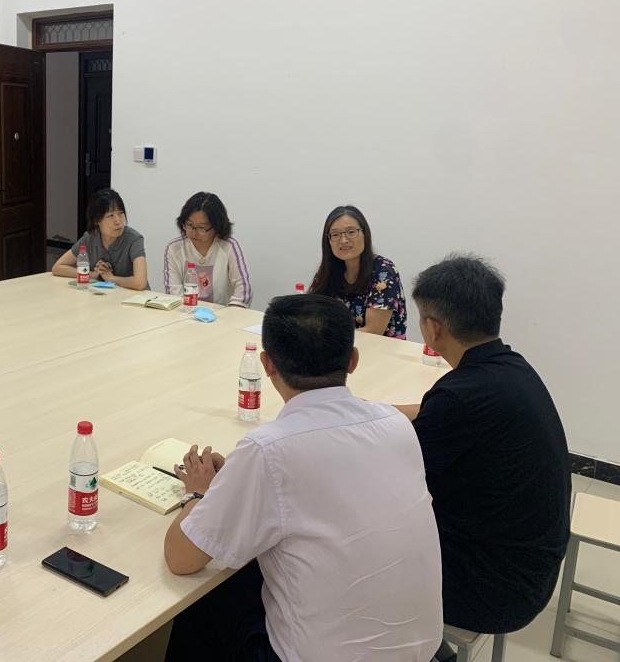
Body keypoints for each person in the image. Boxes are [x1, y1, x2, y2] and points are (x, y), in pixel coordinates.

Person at [162, 294, 442, 661]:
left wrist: (199, 494)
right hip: (423, 650)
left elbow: (180, 558)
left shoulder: (268, 450)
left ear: (267, 364)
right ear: (353, 360)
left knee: (202, 603)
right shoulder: (396, 425)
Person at [396, 256, 570, 635]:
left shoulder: (459, 396)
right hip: (530, 568)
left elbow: (392, 474)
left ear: (433, 329)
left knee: (349, 531)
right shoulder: (508, 367)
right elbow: (432, 412)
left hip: (494, 590)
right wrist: (377, 411)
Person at [308, 204, 406, 338]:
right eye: (335, 234)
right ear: (328, 240)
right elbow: (311, 315)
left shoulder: (383, 271)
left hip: (380, 348)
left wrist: (327, 336)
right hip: (338, 347)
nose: (343, 240)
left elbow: (373, 331)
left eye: (351, 232)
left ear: (365, 234)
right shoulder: (328, 271)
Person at [162, 192, 252, 307]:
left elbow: (243, 293)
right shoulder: (174, 248)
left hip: (224, 314)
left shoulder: (229, 246)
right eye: (189, 225)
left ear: (216, 226)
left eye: (202, 228)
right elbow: (173, 294)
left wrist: (231, 313)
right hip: (186, 313)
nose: (194, 232)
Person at [51, 188, 148, 290]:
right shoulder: (90, 238)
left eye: (120, 213)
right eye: (110, 215)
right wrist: (92, 275)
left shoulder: (134, 239)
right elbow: (58, 267)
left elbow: (140, 283)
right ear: (97, 220)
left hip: (136, 297)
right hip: (106, 295)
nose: (118, 221)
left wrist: (111, 278)